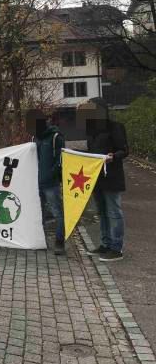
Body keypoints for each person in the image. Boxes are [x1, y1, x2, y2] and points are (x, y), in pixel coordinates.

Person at [79, 97, 129, 262]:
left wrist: (113, 156)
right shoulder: (91, 131)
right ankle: (105, 244)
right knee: (102, 212)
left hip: (112, 177)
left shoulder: (115, 127)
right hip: (96, 178)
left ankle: (116, 248)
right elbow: (91, 154)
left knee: (114, 212)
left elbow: (124, 150)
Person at [27, 110, 66, 255]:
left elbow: (61, 159)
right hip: (37, 183)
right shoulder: (34, 138)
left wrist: (51, 175)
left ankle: (59, 242)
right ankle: (41, 240)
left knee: (57, 213)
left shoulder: (56, 137)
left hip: (51, 184)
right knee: (39, 213)